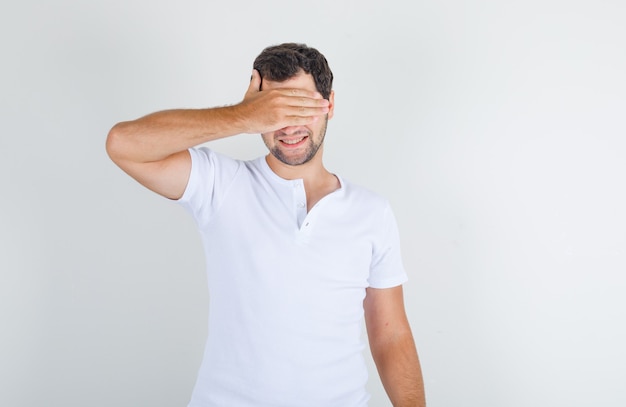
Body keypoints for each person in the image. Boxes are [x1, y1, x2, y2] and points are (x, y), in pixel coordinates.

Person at [106, 43, 425, 407]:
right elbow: (123, 144)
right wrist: (241, 116)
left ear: (329, 105)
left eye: (301, 106)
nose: (287, 125)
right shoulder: (220, 185)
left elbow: (392, 336)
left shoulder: (372, 212)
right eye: (273, 110)